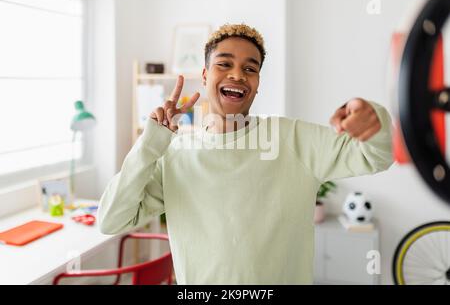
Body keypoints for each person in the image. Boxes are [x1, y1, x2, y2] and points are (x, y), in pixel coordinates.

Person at [98, 24, 393, 284]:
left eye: (250, 68)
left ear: (257, 84)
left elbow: (377, 155)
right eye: (224, 64)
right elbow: (111, 219)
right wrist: (150, 143)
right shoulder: (174, 155)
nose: (237, 74)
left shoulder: (292, 139)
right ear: (204, 75)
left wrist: (373, 119)